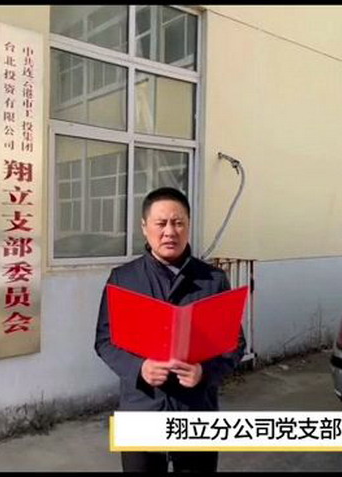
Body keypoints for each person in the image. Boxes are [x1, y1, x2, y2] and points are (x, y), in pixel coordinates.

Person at [94, 187, 246, 473]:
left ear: (188, 226)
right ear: (145, 227)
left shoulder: (213, 280)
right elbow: (104, 341)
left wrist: (204, 372)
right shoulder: (124, 279)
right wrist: (140, 368)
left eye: (178, 223)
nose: (169, 232)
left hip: (196, 409)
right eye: (161, 223)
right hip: (141, 407)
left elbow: (235, 343)